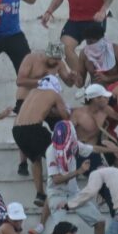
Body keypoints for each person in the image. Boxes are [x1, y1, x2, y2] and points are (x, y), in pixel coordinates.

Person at [43, 121, 116, 234]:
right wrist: (79, 171)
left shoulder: (74, 145)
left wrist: (114, 150)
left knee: (100, 222)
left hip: (73, 192)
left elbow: (93, 149)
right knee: (59, 231)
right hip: (57, 194)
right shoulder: (51, 151)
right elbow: (56, 180)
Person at [13, 74, 72, 208]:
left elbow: (37, 110)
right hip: (33, 129)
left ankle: (40, 194)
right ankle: (63, 188)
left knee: (36, 159)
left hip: (17, 130)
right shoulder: (54, 95)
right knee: (58, 154)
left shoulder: (32, 92)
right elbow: (66, 117)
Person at [14, 42, 73, 174]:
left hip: (47, 102)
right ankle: (23, 162)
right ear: (46, 55)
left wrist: (72, 78)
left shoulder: (58, 62)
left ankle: (63, 151)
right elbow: (19, 81)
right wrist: (41, 82)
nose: (55, 63)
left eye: (58, 60)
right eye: (53, 59)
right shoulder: (31, 59)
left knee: (61, 122)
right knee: (25, 125)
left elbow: (68, 83)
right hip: (26, 99)